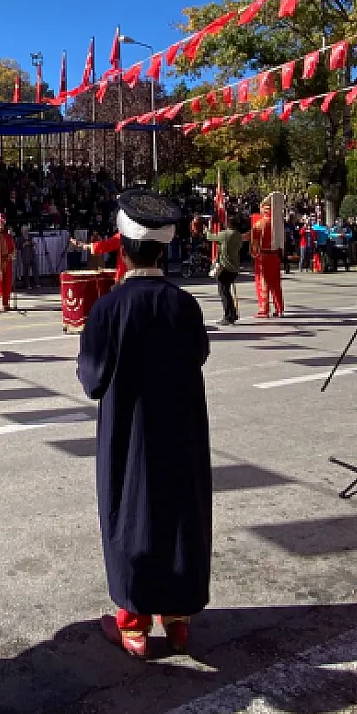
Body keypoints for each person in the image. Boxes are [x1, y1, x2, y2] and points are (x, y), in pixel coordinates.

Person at [76, 190, 211, 658]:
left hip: (129, 433)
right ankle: (178, 616)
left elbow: (91, 381)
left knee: (128, 510)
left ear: (125, 246)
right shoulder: (185, 304)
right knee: (179, 512)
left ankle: (133, 623)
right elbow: (198, 356)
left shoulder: (109, 308)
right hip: (181, 429)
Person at [250, 193, 286, 318]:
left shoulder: (260, 224)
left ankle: (264, 309)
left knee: (263, 283)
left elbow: (254, 242)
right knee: (276, 283)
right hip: (275, 256)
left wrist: (254, 253)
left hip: (263, 256)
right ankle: (279, 308)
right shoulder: (278, 224)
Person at [206, 214, 243, 325]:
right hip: (234, 267)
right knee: (227, 292)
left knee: (224, 293)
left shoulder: (225, 235)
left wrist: (208, 228)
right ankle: (233, 314)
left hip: (225, 268)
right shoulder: (238, 235)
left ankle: (228, 316)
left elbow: (210, 237)